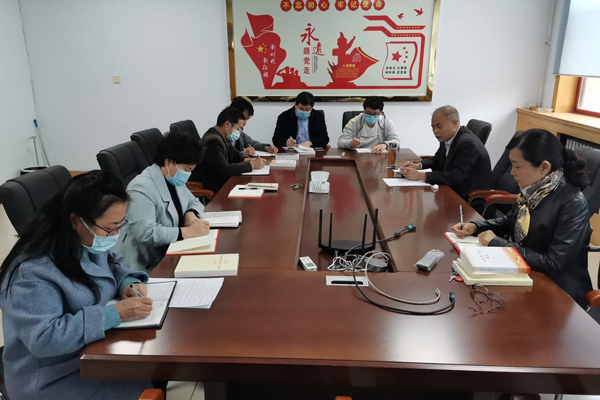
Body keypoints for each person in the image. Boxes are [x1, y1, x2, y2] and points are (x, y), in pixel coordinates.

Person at [0, 170, 153, 399]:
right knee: (141, 386)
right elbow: (44, 338)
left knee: (146, 373)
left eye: (119, 226)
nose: (113, 235)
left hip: (90, 353)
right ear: (76, 221)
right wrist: (113, 315)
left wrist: (126, 282)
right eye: (110, 228)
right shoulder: (31, 271)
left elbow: (111, 261)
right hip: (51, 376)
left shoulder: (82, 239)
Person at [452, 129, 592, 308]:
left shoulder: (573, 203)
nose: (511, 172)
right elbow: (510, 221)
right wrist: (477, 226)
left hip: (558, 293)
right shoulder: (534, 189)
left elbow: (554, 264)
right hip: (527, 273)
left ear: (544, 167)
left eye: (517, 166)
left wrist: (498, 243)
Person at [114, 131, 210, 272]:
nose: (188, 174)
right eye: (187, 169)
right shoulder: (141, 187)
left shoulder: (173, 177)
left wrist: (190, 214)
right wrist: (185, 232)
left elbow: (194, 202)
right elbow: (146, 233)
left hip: (171, 249)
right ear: (168, 161)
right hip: (145, 262)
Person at [401, 105, 492, 200]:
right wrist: (418, 165)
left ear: (454, 123)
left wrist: (421, 175)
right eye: (433, 127)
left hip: (468, 200)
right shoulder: (447, 138)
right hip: (451, 192)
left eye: (439, 126)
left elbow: (455, 177)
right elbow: (437, 160)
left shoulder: (467, 144)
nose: (435, 131)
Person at [193, 106, 266, 192]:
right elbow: (225, 169)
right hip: (214, 187)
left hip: (222, 181)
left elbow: (234, 154)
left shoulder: (221, 135)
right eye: (238, 129)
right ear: (227, 124)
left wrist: (246, 159)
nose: (239, 132)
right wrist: (252, 165)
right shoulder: (212, 141)